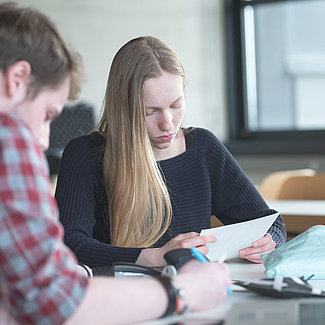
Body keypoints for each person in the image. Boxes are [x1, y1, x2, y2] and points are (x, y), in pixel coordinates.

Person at [0, 3, 231, 325]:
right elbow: (52, 300)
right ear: (17, 78)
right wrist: (183, 291)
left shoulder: (202, 145)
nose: (42, 141)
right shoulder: (8, 139)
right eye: (47, 116)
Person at [55, 36, 287, 269]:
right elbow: (70, 245)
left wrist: (269, 241)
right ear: (124, 109)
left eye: (176, 105)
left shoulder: (203, 148)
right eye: (150, 111)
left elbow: (270, 222)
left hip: (193, 294)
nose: (168, 123)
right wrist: (154, 256)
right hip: (118, 296)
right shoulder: (84, 154)